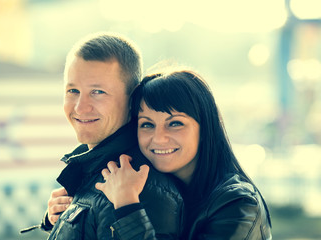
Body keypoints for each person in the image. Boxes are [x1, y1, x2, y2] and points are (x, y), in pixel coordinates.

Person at [21, 33, 183, 239]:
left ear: (133, 98)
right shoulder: (94, 167)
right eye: (73, 90)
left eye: (97, 92)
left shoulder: (138, 186)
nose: (80, 107)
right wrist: (62, 222)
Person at [95, 70, 273, 239]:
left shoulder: (238, 205)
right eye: (147, 124)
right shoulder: (152, 191)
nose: (159, 138)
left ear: (205, 129)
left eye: (175, 123)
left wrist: (127, 204)